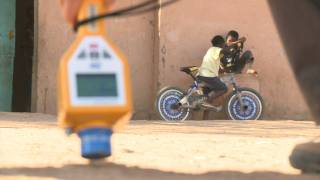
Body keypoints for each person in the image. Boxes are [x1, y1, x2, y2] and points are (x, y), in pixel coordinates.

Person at [198, 35, 228, 103]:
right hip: (208, 76)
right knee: (224, 89)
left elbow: (215, 66)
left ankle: (207, 102)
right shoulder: (215, 49)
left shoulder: (211, 51)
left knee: (209, 97)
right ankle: (207, 100)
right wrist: (233, 45)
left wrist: (224, 70)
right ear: (221, 44)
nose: (224, 46)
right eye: (224, 44)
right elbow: (225, 51)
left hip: (203, 76)